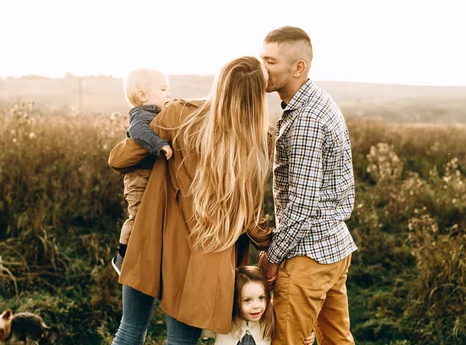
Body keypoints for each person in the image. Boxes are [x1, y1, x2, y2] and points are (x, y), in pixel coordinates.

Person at [108, 56, 273, 345]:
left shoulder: (179, 115)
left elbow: (120, 160)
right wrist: (269, 243)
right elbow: (250, 213)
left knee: (130, 331)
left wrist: (148, 136)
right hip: (206, 259)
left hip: (156, 241)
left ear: (219, 83)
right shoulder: (259, 140)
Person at [258, 26, 357, 345]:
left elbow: (301, 205)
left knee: (285, 339)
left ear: (298, 67)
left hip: (308, 256)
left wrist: (272, 257)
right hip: (333, 247)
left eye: (271, 61)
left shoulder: (306, 122)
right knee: (337, 340)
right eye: (262, 59)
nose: (263, 69)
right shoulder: (315, 102)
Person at [111, 68, 173, 274]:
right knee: (137, 216)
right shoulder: (142, 115)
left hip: (149, 176)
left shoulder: (157, 114)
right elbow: (138, 132)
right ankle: (122, 256)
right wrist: (160, 145)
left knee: (150, 218)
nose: (168, 94)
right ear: (143, 95)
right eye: (163, 89)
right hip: (138, 178)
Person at [213, 266, 315, 345]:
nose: (256, 306)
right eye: (247, 300)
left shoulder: (271, 318)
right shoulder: (224, 319)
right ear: (234, 300)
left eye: (261, 298)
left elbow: (291, 323)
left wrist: (310, 335)